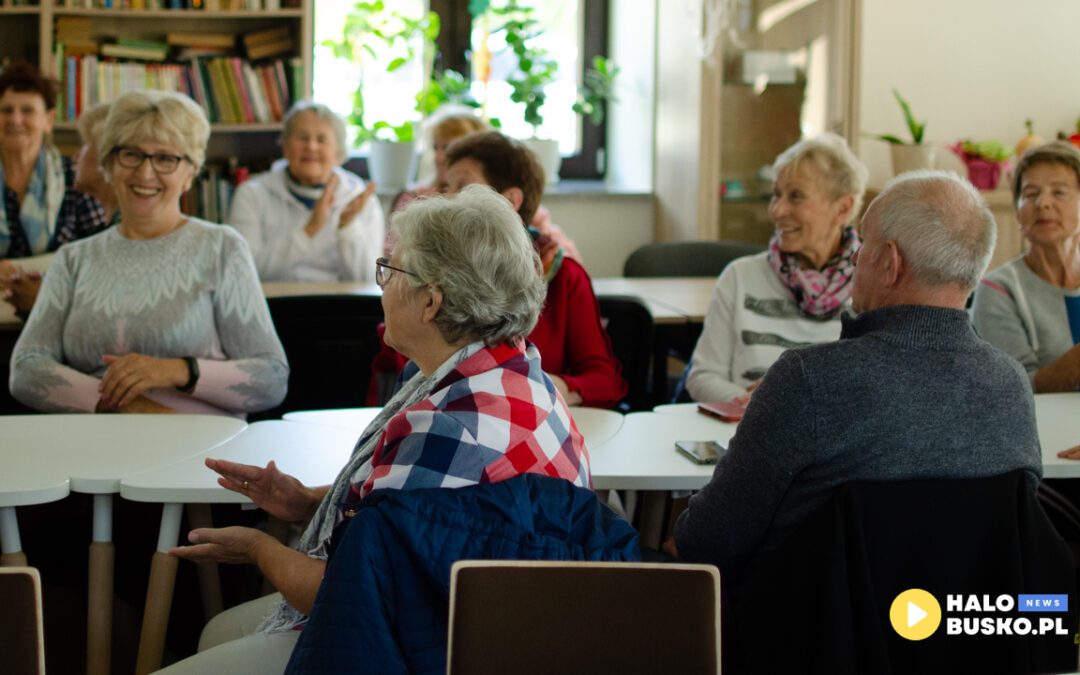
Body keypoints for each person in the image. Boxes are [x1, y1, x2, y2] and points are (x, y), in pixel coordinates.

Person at [163, 185, 594, 673]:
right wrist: (307, 502)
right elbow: (420, 520)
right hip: (501, 624)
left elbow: (345, 593)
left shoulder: (448, 427)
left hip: (436, 647)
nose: (382, 285)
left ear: (431, 303)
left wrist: (260, 548)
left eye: (390, 271)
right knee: (215, 633)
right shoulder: (516, 368)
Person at [672, 170, 1041, 577]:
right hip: (963, 632)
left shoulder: (808, 381)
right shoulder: (1012, 384)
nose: (853, 256)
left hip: (808, 632)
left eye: (862, 244)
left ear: (889, 263)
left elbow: (707, 541)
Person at [9, 90, 288, 415]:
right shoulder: (73, 258)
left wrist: (178, 370)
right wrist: (130, 407)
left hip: (201, 450)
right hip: (92, 447)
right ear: (109, 165)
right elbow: (26, 370)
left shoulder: (222, 248)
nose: (145, 173)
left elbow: (271, 379)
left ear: (190, 174)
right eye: (131, 154)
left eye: (166, 159)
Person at [433, 130, 624, 407]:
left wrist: (552, 387)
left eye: (462, 188)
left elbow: (605, 382)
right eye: (445, 188)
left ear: (510, 201)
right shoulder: (433, 276)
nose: (447, 200)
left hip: (535, 423)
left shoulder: (564, 277)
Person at [686, 133, 867, 403]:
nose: (778, 211)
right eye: (776, 195)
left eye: (795, 197)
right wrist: (759, 407)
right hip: (748, 433)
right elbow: (702, 377)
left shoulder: (870, 286)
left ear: (842, 208)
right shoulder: (740, 276)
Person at [392, 108, 583, 262]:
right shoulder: (415, 200)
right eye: (436, 147)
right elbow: (396, 262)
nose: (441, 157)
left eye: (449, 147)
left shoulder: (525, 215)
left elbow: (564, 258)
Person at [228, 100, 383, 282]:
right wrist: (310, 229)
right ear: (285, 147)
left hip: (340, 307)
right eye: (302, 137)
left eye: (322, 139)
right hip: (274, 306)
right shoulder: (251, 195)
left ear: (339, 153)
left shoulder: (360, 200)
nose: (311, 146)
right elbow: (245, 272)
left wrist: (348, 227)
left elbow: (369, 280)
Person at [972, 141, 1080, 393]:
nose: (1043, 203)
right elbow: (1010, 387)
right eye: (1031, 194)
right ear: (1018, 210)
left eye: (1059, 192)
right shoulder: (997, 289)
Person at [2, 102, 118, 318]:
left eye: (85, 145)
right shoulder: (112, 227)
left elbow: (110, 314)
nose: (76, 156)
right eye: (6, 110)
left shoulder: (122, 233)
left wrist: (46, 298)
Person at [0, 61, 108, 290]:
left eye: (27, 110)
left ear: (48, 120)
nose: (15, 120)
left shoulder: (76, 177)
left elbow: (102, 253)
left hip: (59, 311)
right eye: (6, 110)